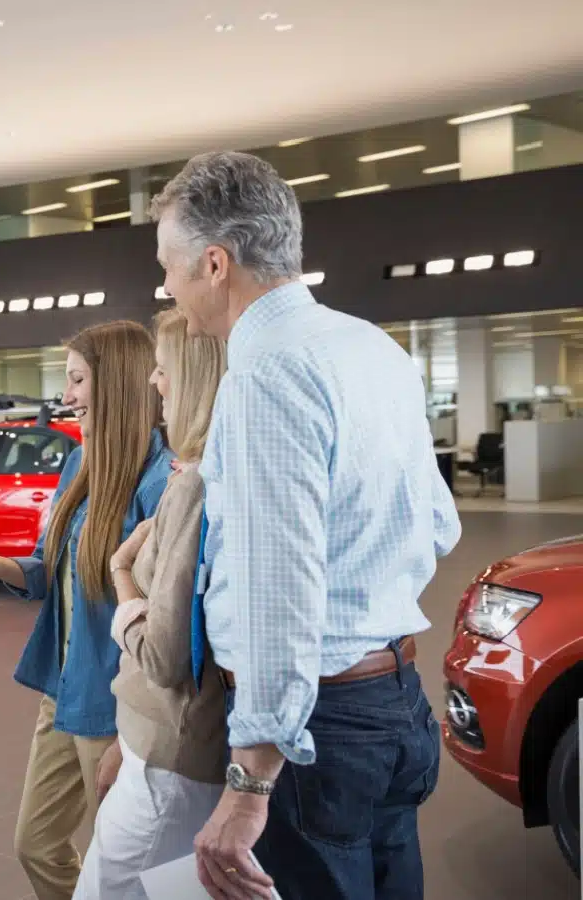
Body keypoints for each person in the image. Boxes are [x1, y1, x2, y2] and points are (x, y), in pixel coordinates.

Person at [148, 151, 461, 900]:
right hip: (394, 703)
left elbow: (276, 592)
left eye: (169, 267)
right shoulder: (371, 347)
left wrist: (250, 783)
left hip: (317, 736)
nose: (166, 287)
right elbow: (439, 525)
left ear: (215, 264)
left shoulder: (264, 375)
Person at [0, 320, 173, 900]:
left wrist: (136, 737)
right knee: (37, 844)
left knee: (128, 868)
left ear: (120, 384)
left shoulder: (160, 481)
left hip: (120, 704)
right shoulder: (78, 465)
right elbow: (49, 572)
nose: (68, 396)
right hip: (64, 689)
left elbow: (167, 624)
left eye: (77, 379)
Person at [74, 308, 229, 900]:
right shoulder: (198, 474)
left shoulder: (189, 485)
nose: (154, 382)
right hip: (165, 746)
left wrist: (121, 578)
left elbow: (165, 656)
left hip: (171, 755)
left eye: (163, 370)